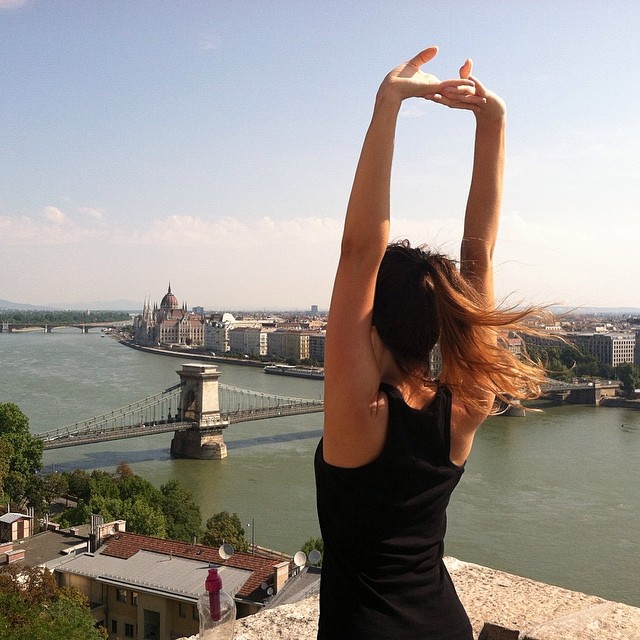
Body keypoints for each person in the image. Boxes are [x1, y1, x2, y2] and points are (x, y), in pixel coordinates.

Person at [314, 47, 547, 640]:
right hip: (446, 625)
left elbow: (358, 252)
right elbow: (479, 255)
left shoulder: (358, 416)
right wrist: (492, 121)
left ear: (371, 323)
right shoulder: (464, 410)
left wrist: (388, 102)